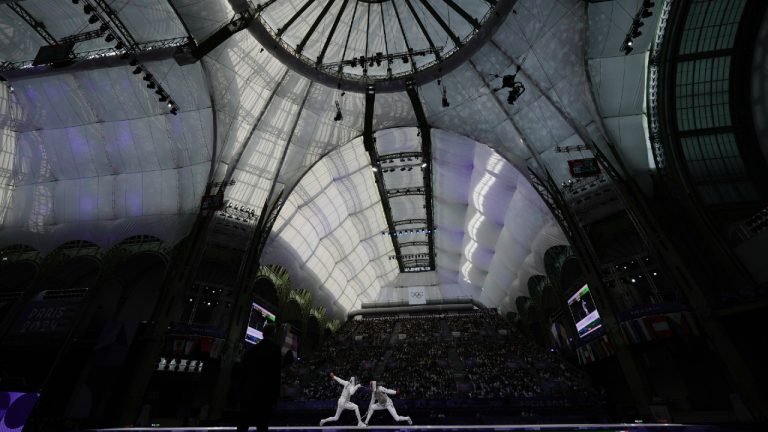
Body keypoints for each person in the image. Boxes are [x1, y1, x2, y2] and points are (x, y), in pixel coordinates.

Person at [238, 324, 282, 432]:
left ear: (262, 333)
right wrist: (275, 396)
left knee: (243, 425)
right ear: (273, 333)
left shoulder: (250, 351)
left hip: (249, 394)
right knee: (262, 426)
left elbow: (243, 373)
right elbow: (276, 375)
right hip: (265, 396)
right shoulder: (276, 350)